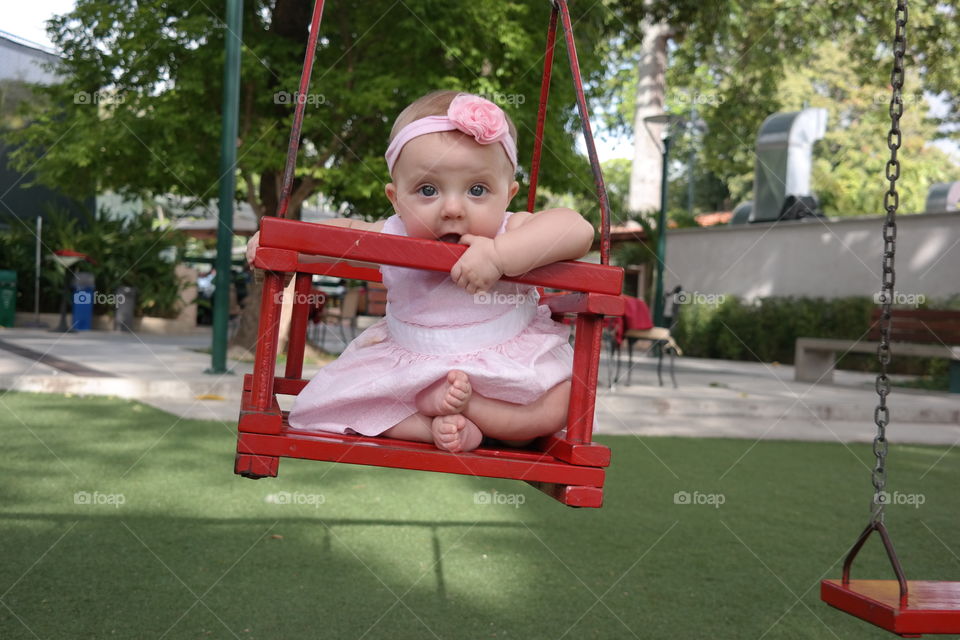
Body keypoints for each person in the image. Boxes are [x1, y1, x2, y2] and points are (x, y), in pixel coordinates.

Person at [245, 90, 594, 453]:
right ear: (396, 199)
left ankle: (474, 411)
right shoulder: (392, 234)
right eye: (428, 190)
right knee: (344, 400)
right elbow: (338, 235)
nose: (453, 208)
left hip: (507, 365)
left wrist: (500, 256)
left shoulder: (512, 229)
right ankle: (430, 427)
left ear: (508, 194)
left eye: (478, 189)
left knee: (565, 400)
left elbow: (577, 229)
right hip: (414, 372)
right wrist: (278, 239)